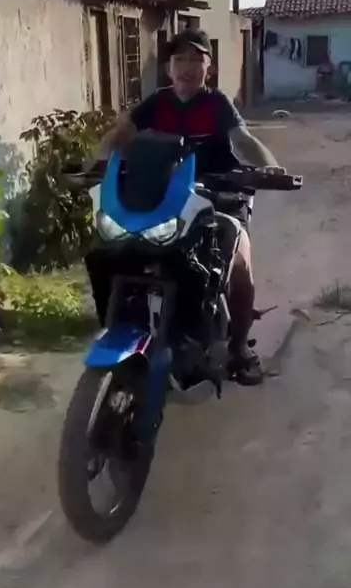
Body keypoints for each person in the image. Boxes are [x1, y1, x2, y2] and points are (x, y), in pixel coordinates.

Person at [89, 28, 282, 385]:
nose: (187, 67)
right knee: (113, 248)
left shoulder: (216, 104)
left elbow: (243, 140)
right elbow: (119, 136)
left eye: (197, 59)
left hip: (219, 194)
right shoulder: (156, 104)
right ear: (168, 68)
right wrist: (98, 163)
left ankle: (240, 348)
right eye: (180, 59)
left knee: (239, 260)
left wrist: (269, 168)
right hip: (165, 197)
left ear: (209, 68)